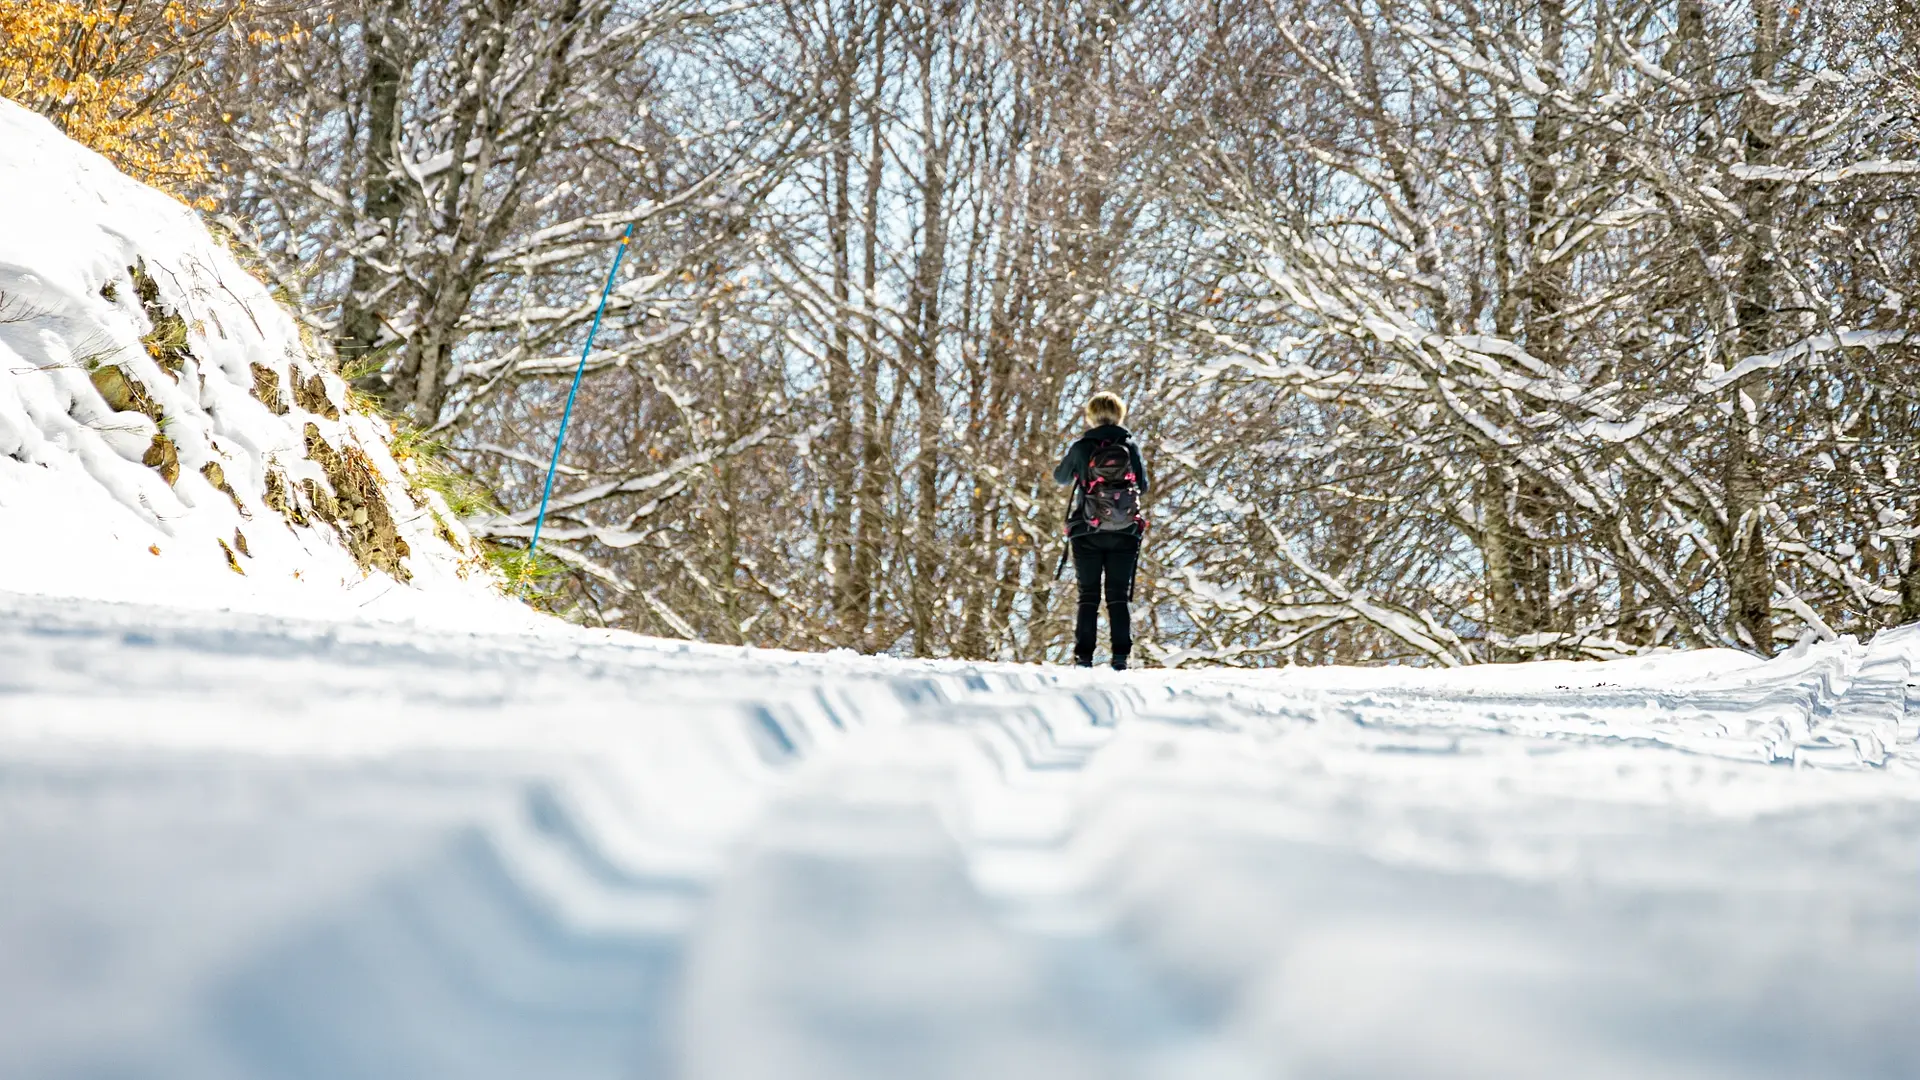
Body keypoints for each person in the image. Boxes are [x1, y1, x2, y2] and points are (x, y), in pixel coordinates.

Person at [1054, 391, 1149, 669]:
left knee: (1089, 595)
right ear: (1120, 414)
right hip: (1125, 531)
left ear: (1091, 416)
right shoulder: (1130, 446)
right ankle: (1120, 656)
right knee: (1118, 595)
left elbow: (1060, 477)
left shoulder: (1082, 446)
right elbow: (1142, 487)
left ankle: (1084, 657)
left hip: (1087, 530)